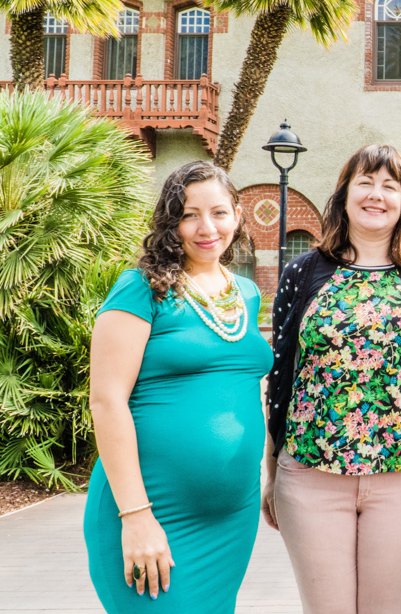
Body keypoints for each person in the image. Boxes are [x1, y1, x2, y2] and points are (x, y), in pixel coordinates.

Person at [263, 144, 401, 614]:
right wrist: (269, 470)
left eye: (390, 185)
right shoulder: (303, 272)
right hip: (310, 475)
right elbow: (281, 371)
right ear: (345, 195)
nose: (377, 194)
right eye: (365, 182)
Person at [84, 161, 273, 612]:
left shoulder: (245, 292)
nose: (206, 227)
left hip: (232, 519)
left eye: (219, 212)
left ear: (238, 215)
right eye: (189, 214)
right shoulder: (139, 288)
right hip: (151, 516)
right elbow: (106, 402)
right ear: (171, 223)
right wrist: (136, 517)